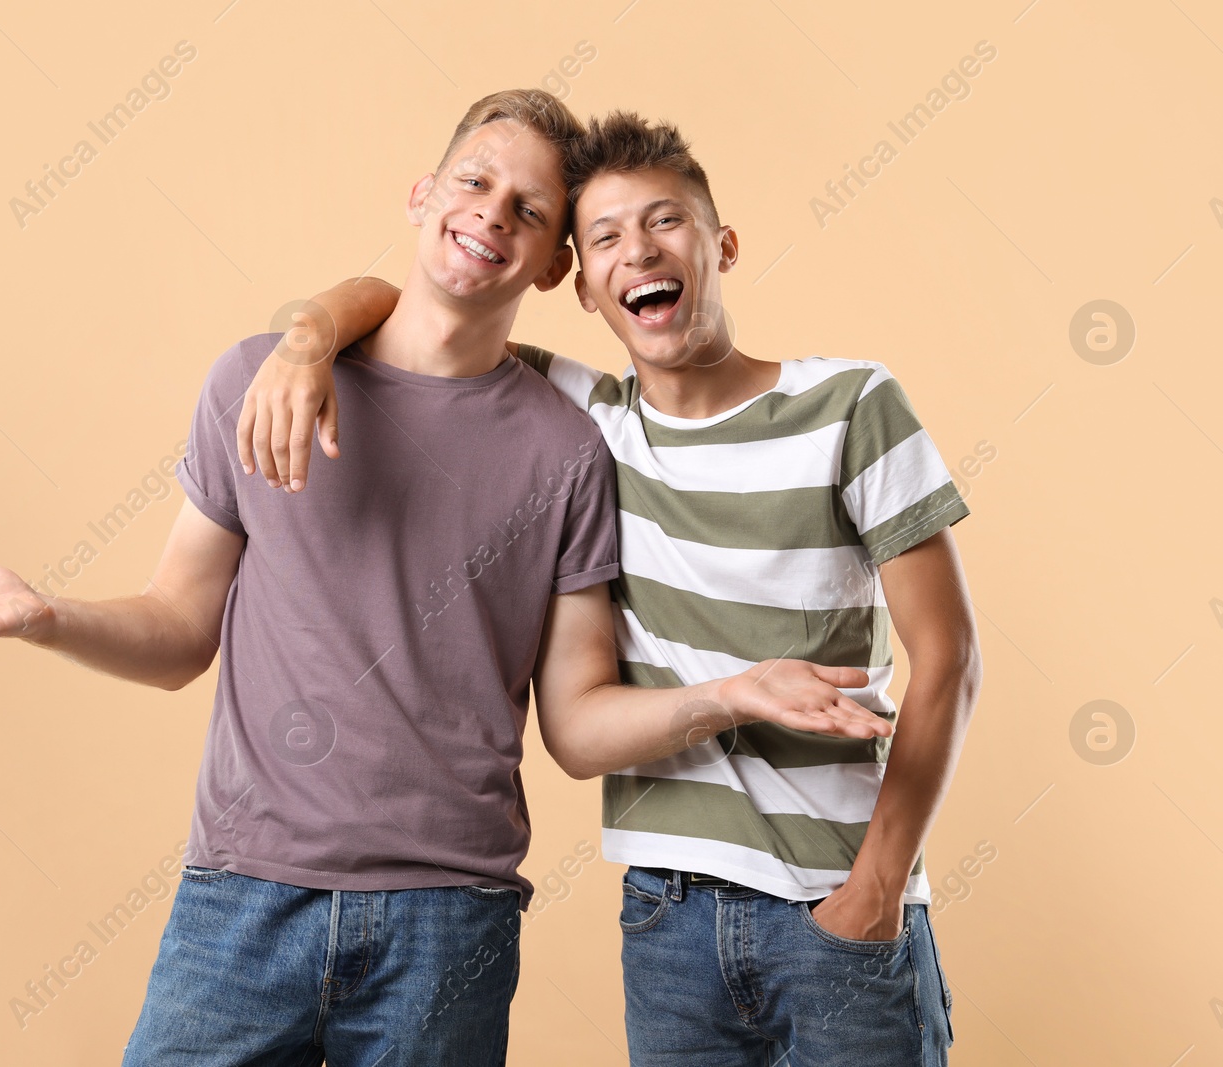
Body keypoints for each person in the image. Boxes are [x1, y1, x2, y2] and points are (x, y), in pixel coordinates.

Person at [0, 92, 890, 1067]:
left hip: (449, 922)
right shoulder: (257, 381)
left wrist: (730, 693)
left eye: (528, 212)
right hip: (241, 898)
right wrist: (44, 615)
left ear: (548, 269)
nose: (491, 214)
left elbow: (573, 722)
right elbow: (180, 629)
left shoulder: (570, 450)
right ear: (421, 196)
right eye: (473, 183)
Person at [239, 109, 982, 1066]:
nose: (639, 251)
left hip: (838, 904)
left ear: (723, 245)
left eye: (666, 222)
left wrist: (877, 889)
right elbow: (413, 300)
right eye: (603, 238)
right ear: (582, 286)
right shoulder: (582, 422)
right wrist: (305, 337)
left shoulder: (849, 403)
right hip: (667, 916)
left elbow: (950, 657)